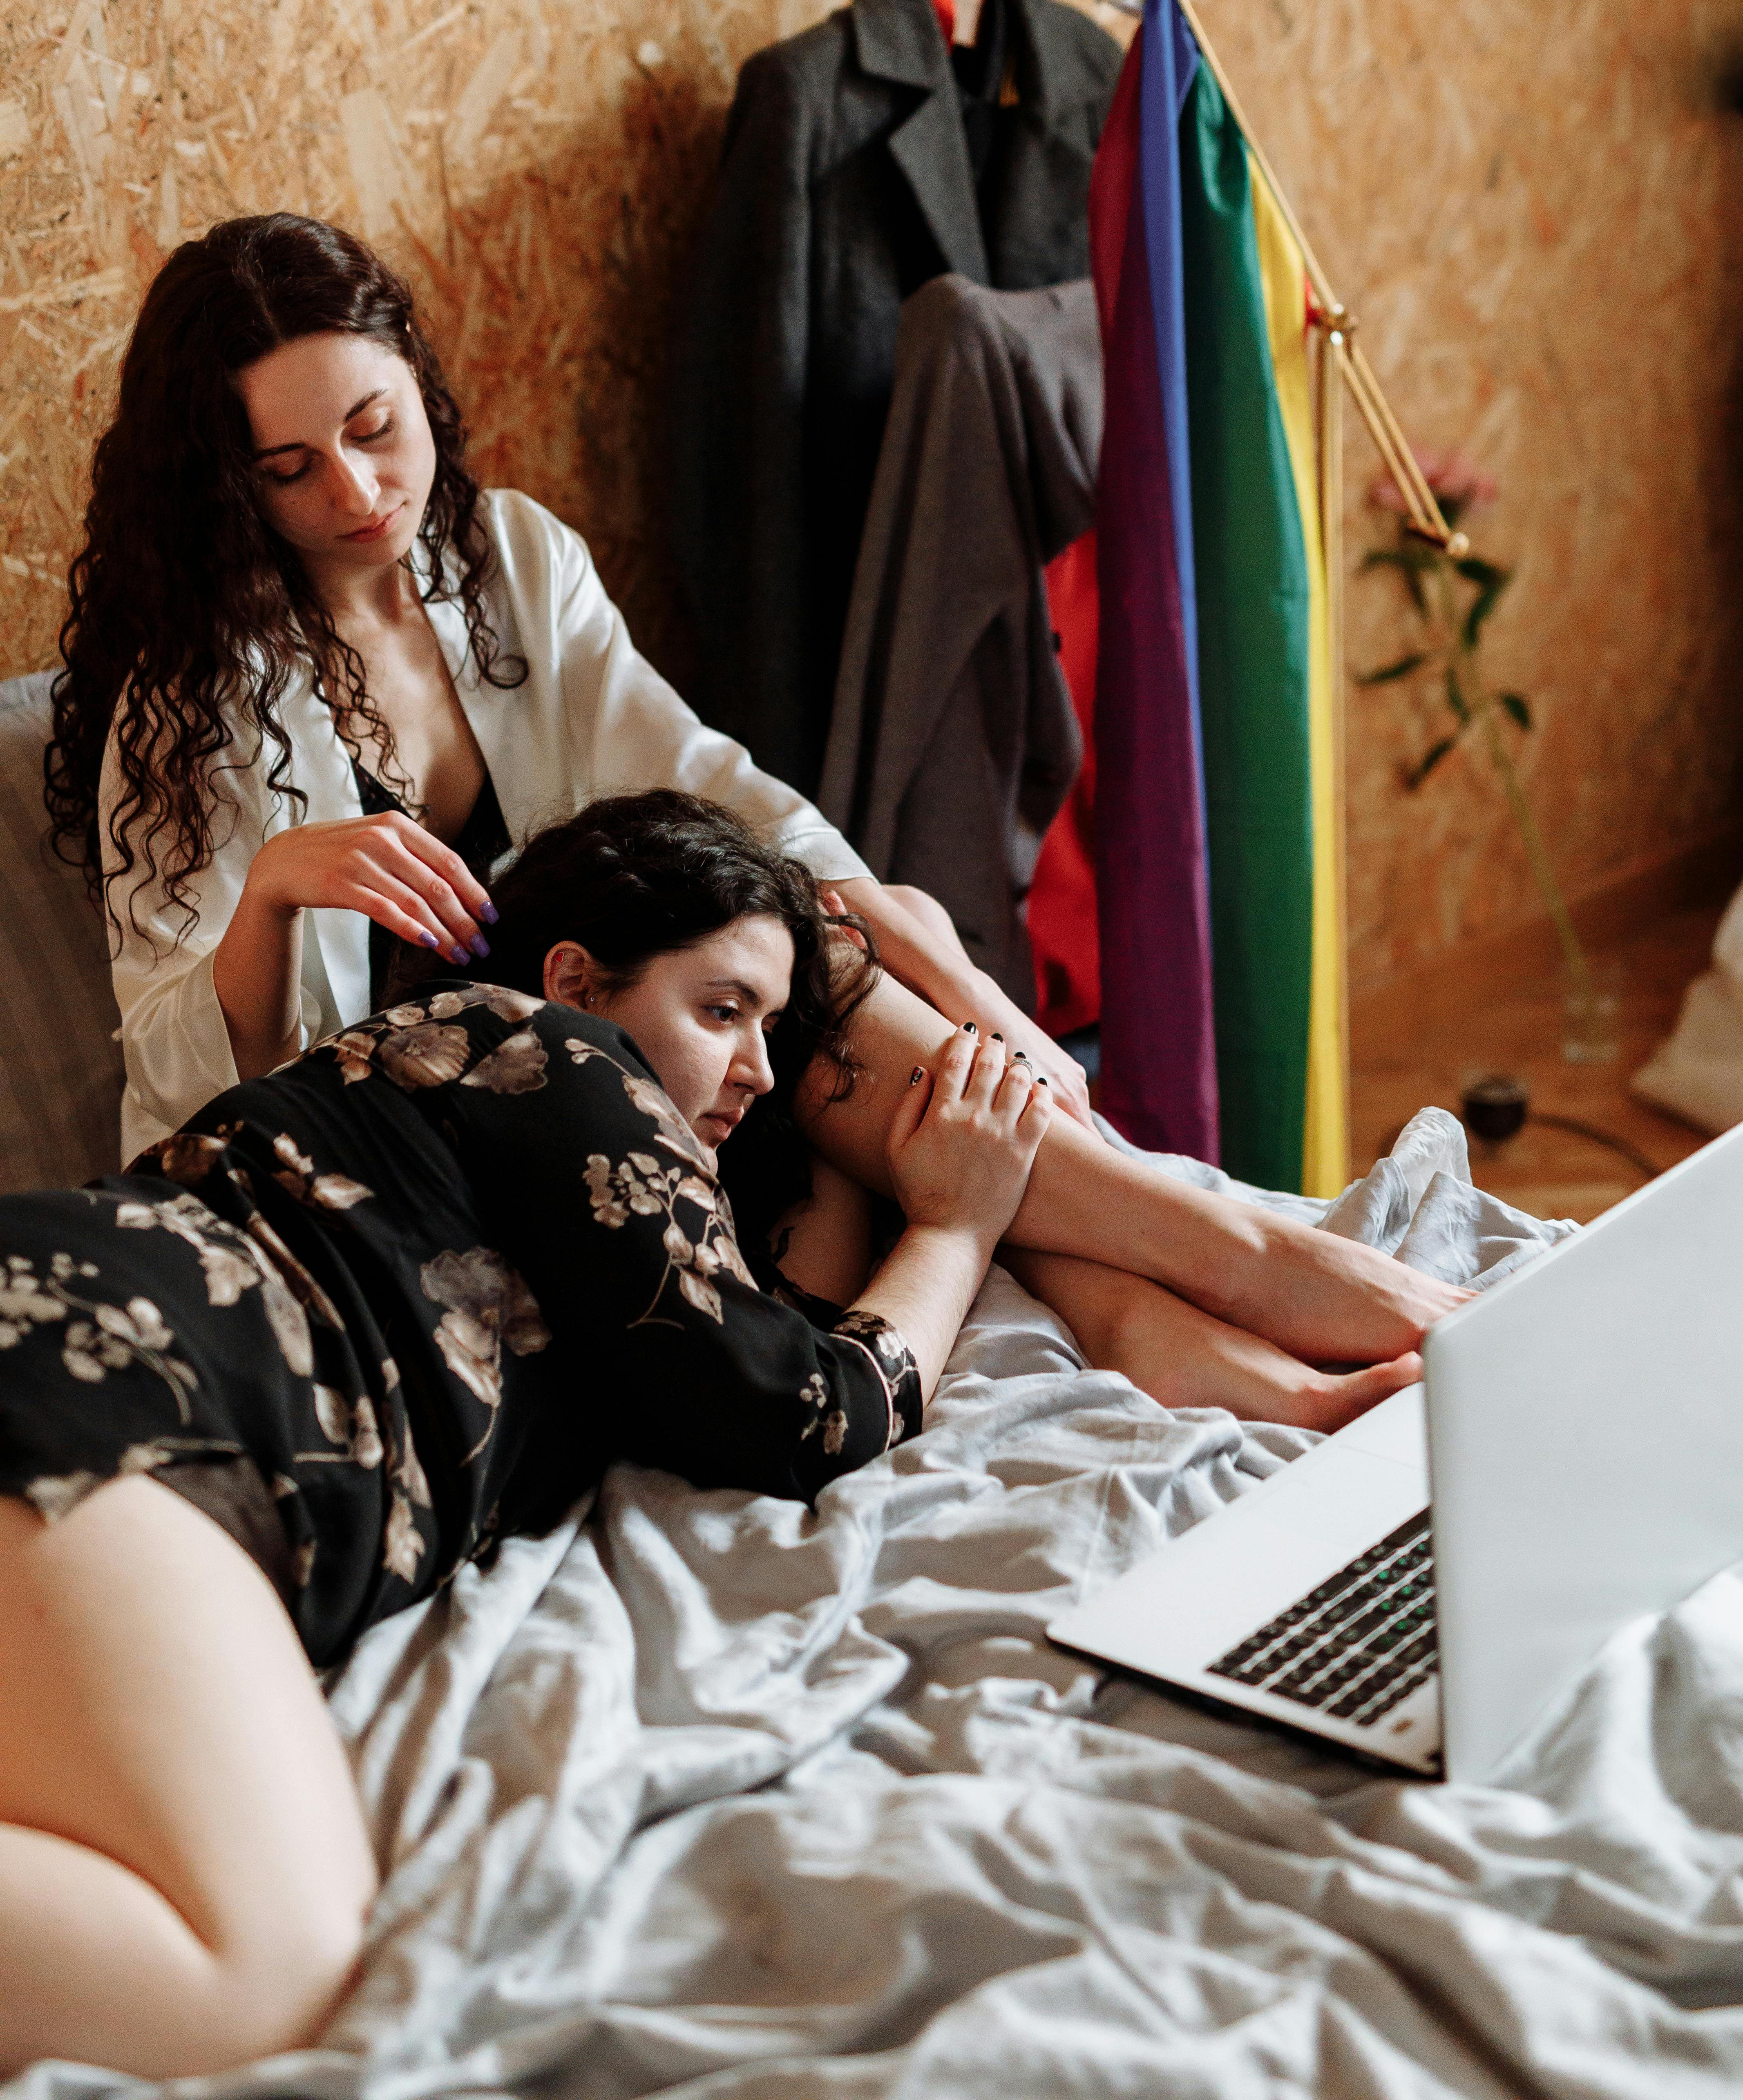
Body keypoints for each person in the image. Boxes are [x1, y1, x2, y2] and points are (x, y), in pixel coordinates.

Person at [45, 213, 1462, 1415]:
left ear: (419, 383)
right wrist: (274, 893)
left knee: (852, 994)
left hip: (628, 1040)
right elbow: (180, 1080)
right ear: (228, 487)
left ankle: (1299, 1385)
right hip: (450, 1131)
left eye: (375, 428)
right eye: (290, 470)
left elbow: (721, 795)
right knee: (894, 1095)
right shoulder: (189, 695)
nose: (356, 491)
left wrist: (962, 982)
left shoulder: (507, 559)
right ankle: (1301, 1277)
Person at [0, 789, 1062, 2079]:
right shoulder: (547, 1048)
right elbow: (803, 1412)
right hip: (113, 1365)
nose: (758, 1071)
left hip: (110, 1369)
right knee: (254, 1971)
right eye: (722, 1009)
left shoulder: (549, 1202)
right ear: (578, 978)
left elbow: (771, 1342)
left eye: (774, 1032)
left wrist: (853, 1173)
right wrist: (957, 1228)